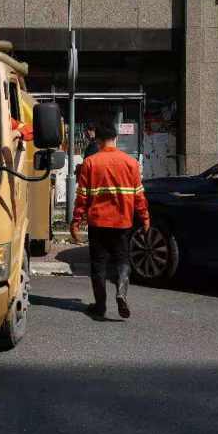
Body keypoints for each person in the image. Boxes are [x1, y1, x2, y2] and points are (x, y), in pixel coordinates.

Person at [70, 121, 150, 320]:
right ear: (116, 138)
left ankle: (100, 307)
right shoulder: (131, 163)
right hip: (122, 223)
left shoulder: (91, 162)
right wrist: (145, 218)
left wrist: (76, 221)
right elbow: (139, 196)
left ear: (97, 140)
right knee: (122, 261)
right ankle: (121, 292)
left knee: (98, 266)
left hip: (98, 223)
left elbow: (82, 196)